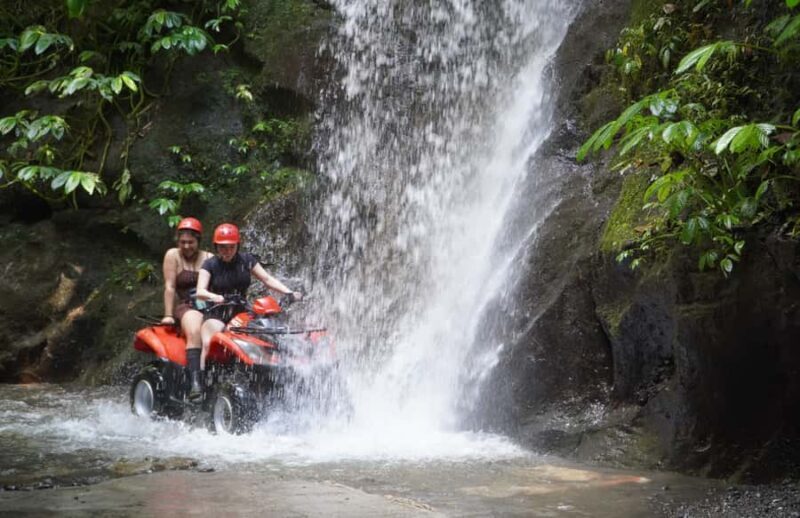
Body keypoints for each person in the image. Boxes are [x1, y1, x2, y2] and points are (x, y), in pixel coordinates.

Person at [196, 223, 302, 381]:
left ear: (237, 245)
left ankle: (269, 374)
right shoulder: (210, 264)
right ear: (216, 246)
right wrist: (215, 297)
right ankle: (200, 383)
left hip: (243, 311)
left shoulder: (246, 260)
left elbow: (266, 279)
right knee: (208, 342)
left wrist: (289, 292)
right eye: (223, 247)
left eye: (231, 247)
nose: (227, 251)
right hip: (217, 313)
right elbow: (200, 291)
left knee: (267, 335)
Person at [160, 217, 213, 400]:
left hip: (208, 305)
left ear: (198, 241)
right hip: (186, 305)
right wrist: (168, 314)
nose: (186, 246)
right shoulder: (172, 255)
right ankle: (195, 384)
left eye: (191, 242)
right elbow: (170, 287)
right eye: (182, 242)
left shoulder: (209, 258)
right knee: (195, 330)